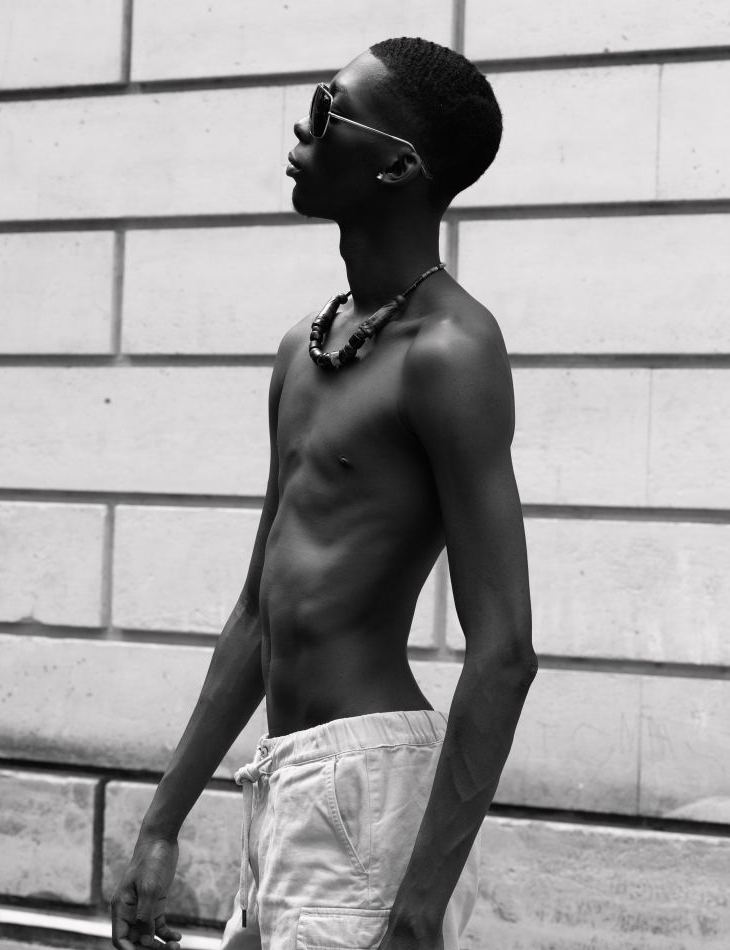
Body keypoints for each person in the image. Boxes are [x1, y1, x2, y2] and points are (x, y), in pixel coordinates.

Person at [111, 36, 536, 950]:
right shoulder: (302, 348)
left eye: (325, 111)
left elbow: (504, 650)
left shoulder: (451, 352)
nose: (301, 131)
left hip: (367, 799)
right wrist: (161, 823)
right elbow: (259, 612)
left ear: (398, 167)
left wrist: (420, 905)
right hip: (284, 783)